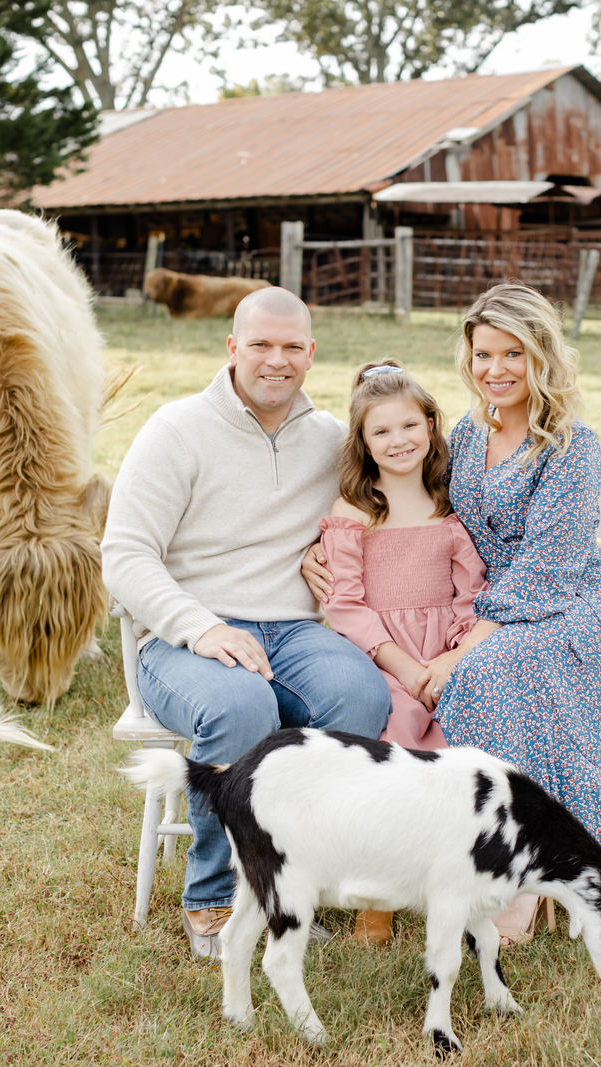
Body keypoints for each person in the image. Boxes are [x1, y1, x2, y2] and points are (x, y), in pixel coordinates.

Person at [307, 282, 601, 945]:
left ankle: (519, 888)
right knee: (483, 675)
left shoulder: (571, 446)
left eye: (513, 354)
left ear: (541, 358)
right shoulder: (468, 436)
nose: (495, 370)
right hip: (481, 603)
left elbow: (546, 567)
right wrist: (326, 552)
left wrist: (456, 650)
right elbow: (409, 502)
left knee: (488, 673)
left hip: (565, 605)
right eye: (482, 355)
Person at [102, 286, 391, 963]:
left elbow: (381, 503)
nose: (276, 360)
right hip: (185, 636)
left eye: (293, 347)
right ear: (232, 347)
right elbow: (124, 555)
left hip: (292, 628)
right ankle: (215, 895)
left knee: (361, 695)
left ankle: (295, 881)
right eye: (260, 344)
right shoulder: (176, 430)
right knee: (241, 705)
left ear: (312, 354)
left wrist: (338, 551)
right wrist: (197, 626)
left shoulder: (329, 441)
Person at [319, 361, 492, 943]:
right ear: (363, 444)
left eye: (409, 426)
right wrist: (404, 666)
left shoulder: (448, 509)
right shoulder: (355, 515)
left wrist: (454, 656)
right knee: (390, 744)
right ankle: (379, 895)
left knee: (465, 745)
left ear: (430, 426)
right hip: (382, 656)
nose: (399, 442)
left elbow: (473, 593)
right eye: (381, 432)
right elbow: (344, 605)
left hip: (446, 655)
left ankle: (458, 884)